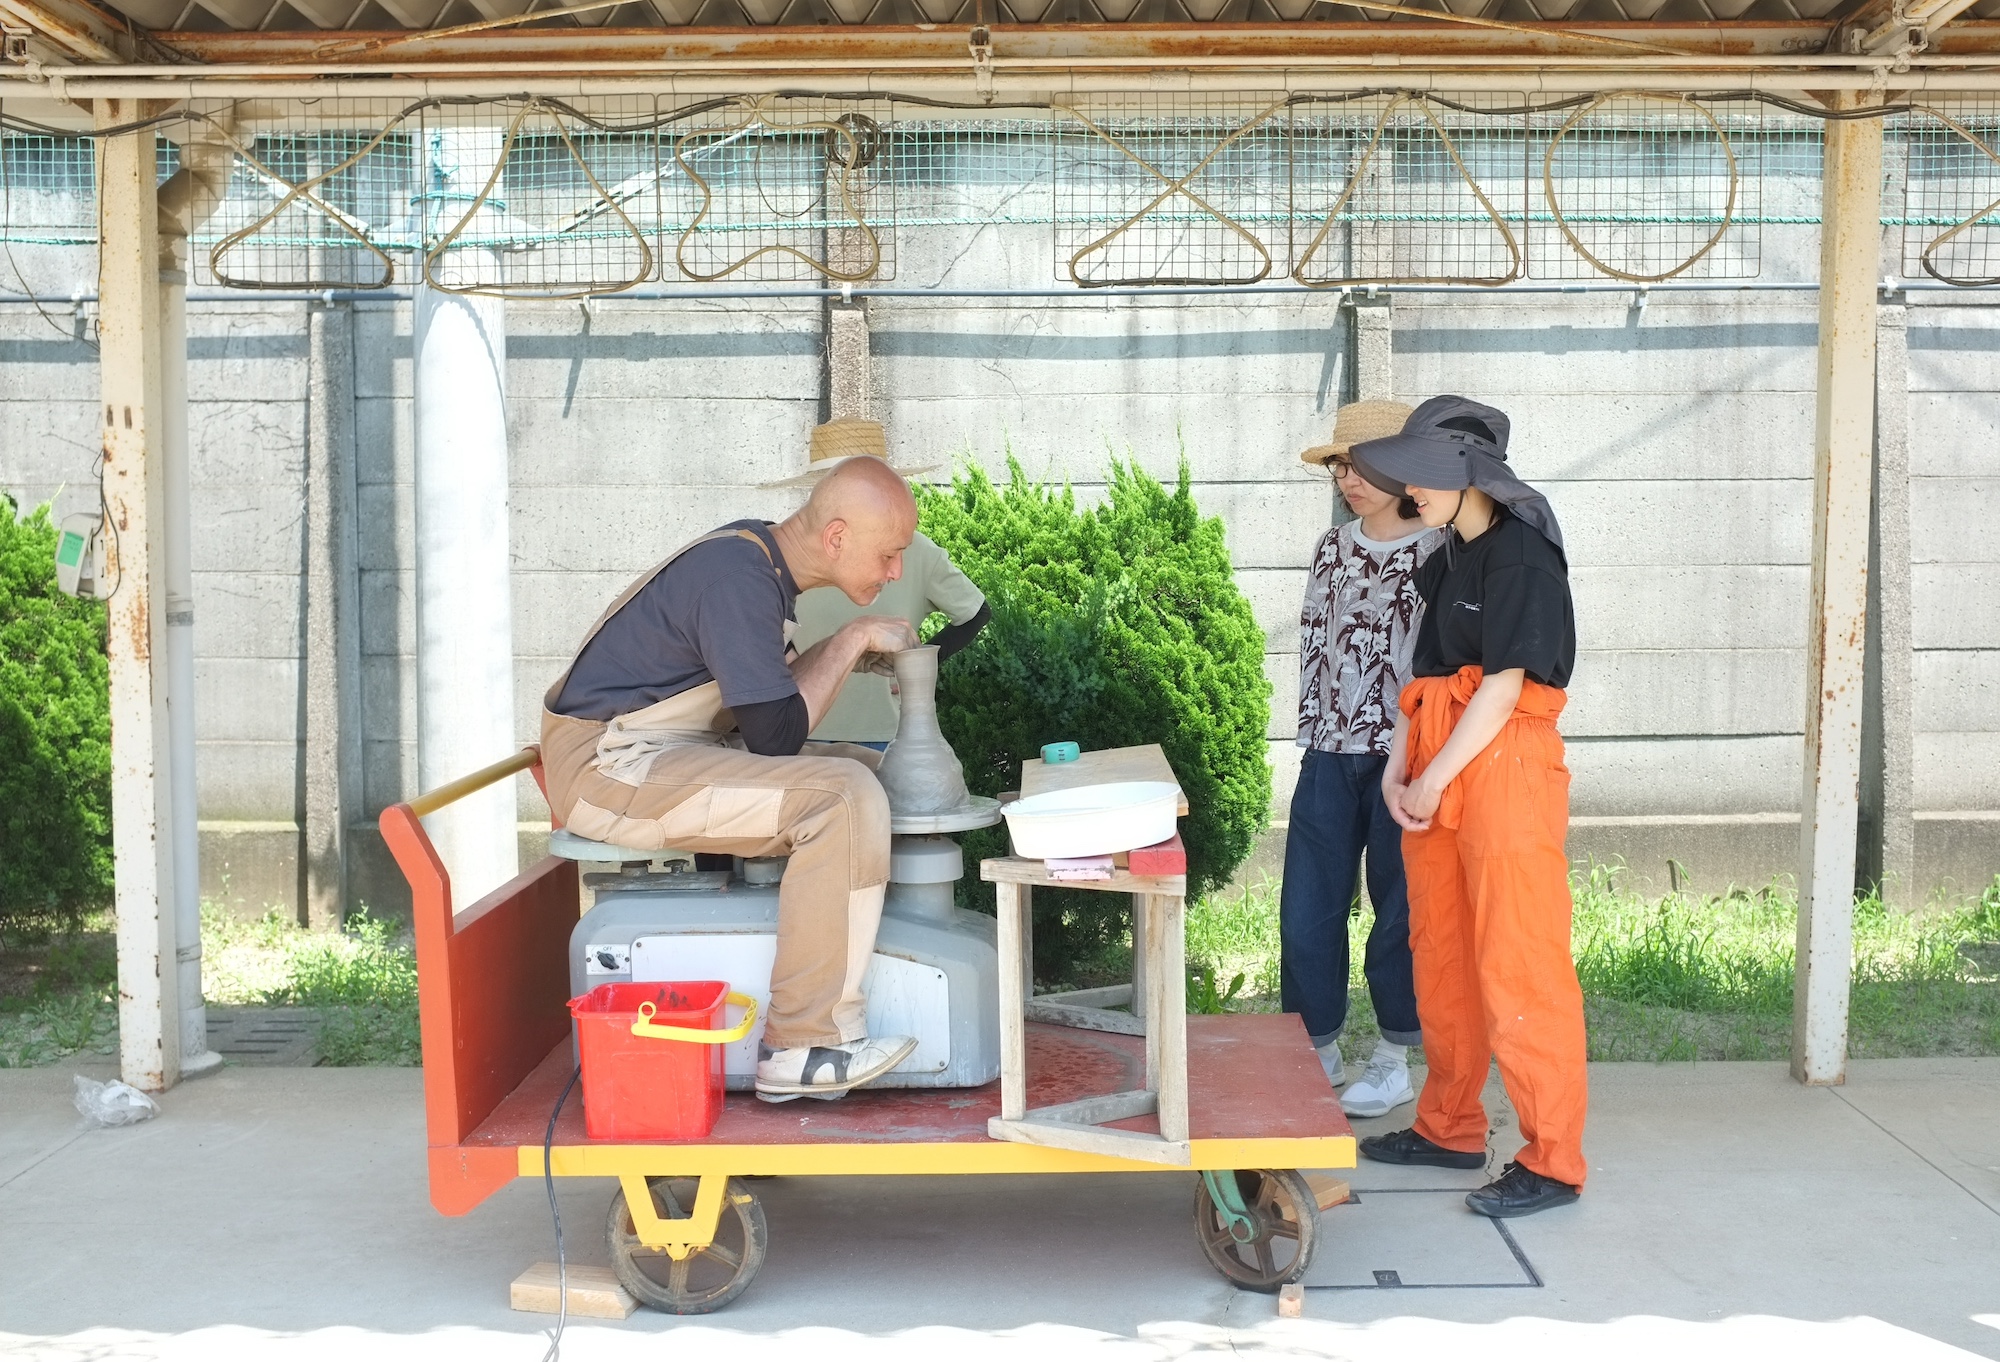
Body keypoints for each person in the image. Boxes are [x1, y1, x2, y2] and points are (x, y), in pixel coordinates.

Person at [539, 435, 924, 1105]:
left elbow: (765, 710)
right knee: (840, 797)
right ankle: (804, 1043)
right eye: (889, 555)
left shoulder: (758, 560)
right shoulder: (739, 578)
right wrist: (852, 639)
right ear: (837, 537)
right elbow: (774, 737)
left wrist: (844, 655)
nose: (896, 572)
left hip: (657, 753)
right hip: (611, 768)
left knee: (869, 769)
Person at [1346, 395, 1587, 1220]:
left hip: (1505, 768)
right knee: (1440, 953)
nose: (1410, 492)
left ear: (1470, 476)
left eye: (1424, 477)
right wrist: (1397, 767)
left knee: (1518, 963)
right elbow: (1428, 687)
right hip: (1441, 761)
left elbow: (1506, 688)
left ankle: (1552, 1159)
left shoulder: (1522, 557)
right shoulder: (1443, 559)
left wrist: (1433, 776)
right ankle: (1448, 1127)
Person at [1282, 400, 1443, 1120]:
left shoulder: (1442, 550)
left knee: (1398, 912)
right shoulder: (1331, 546)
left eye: (1365, 464)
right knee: (1307, 910)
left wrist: (1416, 763)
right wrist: (1315, 735)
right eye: (1342, 464)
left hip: (1401, 759)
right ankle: (1314, 1048)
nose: (1350, 477)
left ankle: (1393, 1055)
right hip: (1327, 750)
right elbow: (1317, 649)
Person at [788, 422, 991, 747]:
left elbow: (976, 611)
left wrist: (916, 664)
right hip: (796, 730)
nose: (893, 570)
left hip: (879, 735)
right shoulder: (790, 556)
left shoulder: (917, 549)